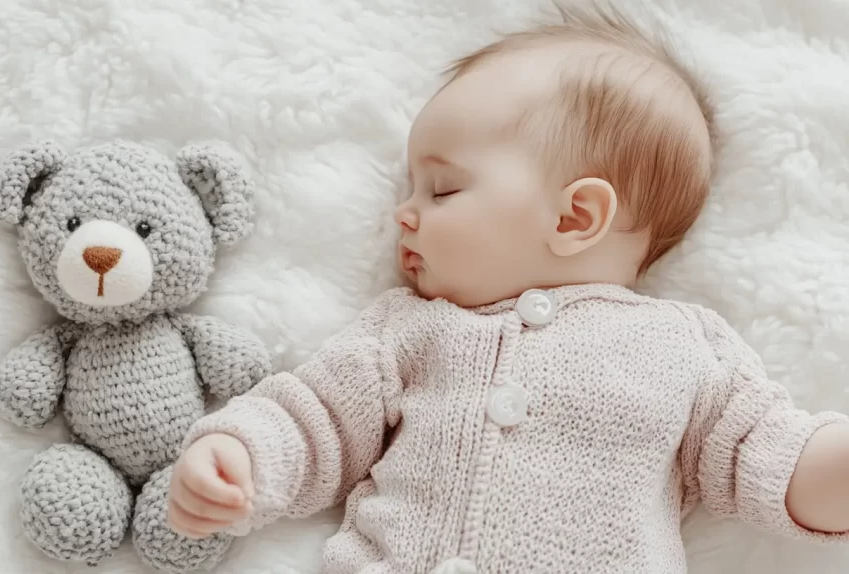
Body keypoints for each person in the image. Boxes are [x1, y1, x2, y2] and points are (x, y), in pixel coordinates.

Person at [166, 3, 849, 572]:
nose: (404, 212)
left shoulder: (685, 349)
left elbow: (773, 459)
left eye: (444, 187)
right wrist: (240, 453)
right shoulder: (406, 330)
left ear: (575, 216)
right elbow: (312, 417)